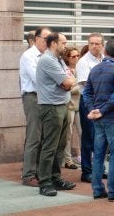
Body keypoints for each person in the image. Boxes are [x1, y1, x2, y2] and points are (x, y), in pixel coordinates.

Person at [84, 39, 114, 202]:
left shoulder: (95, 69)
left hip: (99, 119)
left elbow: (87, 93)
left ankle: (98, 189)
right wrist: (101, 110)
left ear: (105, 51)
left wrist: (94, 110)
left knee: (98, 154)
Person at [36, 32, 77, 196]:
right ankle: (45, 182)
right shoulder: (47, 60)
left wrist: (68, 82)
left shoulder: (59, 60)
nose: (65, 46)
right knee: (49, 146)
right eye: (63, 43)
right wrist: (67, 82)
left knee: (60, 145)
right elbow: (68, 81)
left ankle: (55, 177)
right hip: (51, 107)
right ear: (53, 43)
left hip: (62, 105)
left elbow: (70, 79)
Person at [19, 26, 51, 187]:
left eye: (50, 39)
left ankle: (40, 172)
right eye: (45, 39)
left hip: (46, 98)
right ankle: (28, 175)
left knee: (44, 137)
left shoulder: (48, 55)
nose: (48, 42)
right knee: (34, 137)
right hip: (33, 97)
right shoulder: (29, 55)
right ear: (37, 38)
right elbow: (37, 78)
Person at [76, 32, 104, 183]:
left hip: (103, 103)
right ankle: (86, 171)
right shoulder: (83, 62)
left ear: (102, 45)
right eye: (91, 43)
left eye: (97, 43)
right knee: (89, 137)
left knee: (101, 137)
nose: (94, 46)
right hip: (89, 103)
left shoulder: (104, 59)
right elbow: (87, 84)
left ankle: (98, 169)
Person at [62, 47, 81, 170]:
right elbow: (67, 89)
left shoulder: (79, 68)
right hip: (69, 105)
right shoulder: (65, 70)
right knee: (68, 134)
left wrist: (77, 85)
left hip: (80, 104)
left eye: (77, 55)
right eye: (73, 56)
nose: (76, 58)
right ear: (67, 58)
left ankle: (82, 156)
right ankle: (67, 160)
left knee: (82, 131)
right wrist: (78, 86)